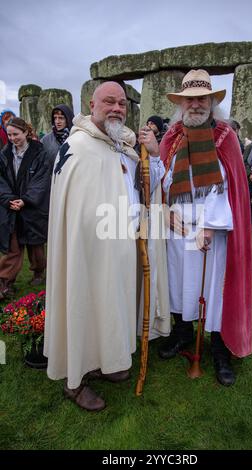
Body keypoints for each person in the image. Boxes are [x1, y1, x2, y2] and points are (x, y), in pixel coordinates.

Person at [44, 81, 170, 412]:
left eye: (122, 104)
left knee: (111, 306)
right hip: (89, 250)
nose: (116, 109)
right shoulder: (80, 147)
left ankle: (105, 360)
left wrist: (154, 157)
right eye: (109, 102)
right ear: (92, 104)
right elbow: (77, 207)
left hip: (122, 246)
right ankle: (75, 381)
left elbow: (144, 187)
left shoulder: (120, 145)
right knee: (83, 302)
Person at [158, 69, 252, 386]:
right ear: (181, 103)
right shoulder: (171, 136)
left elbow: (229, 187)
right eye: (189, 99)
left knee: (214, 290)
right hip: (176, 227)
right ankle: (183, 333)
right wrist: (165, 211)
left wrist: (210, 226)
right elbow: (163, 178)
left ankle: (219, 349)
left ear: (212, 102)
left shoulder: (226, 137)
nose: (195, 104)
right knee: (179, 283)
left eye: (202, 98)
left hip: (211, 231)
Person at [0, 117, 51, 299]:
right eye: (9, 135)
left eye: (16, 134)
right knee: (13, 247)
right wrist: (9, 199)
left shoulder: (39, 153)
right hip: (12, 207)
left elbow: (42, 180)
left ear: (26, 132)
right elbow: (1, 181)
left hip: (32, 207)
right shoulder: (5, 154)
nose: (12, 138)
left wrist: (27, 200)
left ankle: (38, 272)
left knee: (35, 245)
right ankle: (5, 282)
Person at [41, 104, 74, 170]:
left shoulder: (75, 137)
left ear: (68, 119)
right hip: (53, 178)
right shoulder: (45, 140)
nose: (57, 121)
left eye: (61, 118)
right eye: (55, 118)